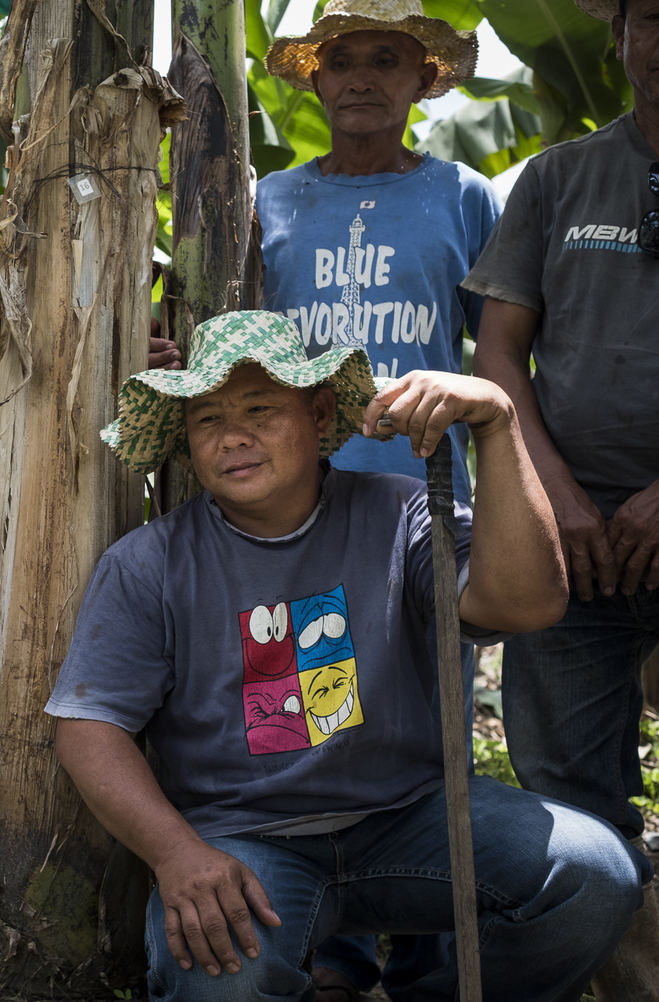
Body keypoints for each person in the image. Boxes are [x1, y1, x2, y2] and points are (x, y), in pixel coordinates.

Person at [48, 310, 647, 1001]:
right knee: (223, 979)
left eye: (260, 409)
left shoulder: (400, 515)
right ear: (186, 441)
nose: (234, 435)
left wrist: (499, 422)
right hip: (243, 839)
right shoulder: (148, 564)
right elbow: (88, 727)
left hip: (411, 818)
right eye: (208, 419)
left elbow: (526, 604)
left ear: (320, 411)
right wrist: (176, 853)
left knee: (596, 875)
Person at [256, 1, 500, 993]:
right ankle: (329, 956)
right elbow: (233, 343)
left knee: (430, 729)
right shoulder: (268, 198)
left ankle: (431, 955)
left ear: (422, 81)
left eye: (385, 61)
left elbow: (501, 350)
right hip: (289, 517)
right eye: (341, 60)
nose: (360, 78)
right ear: (312, 80)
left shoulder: (463, 196)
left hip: (425, 508)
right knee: (305, 731)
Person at [467, 0, 659, 995]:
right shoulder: (555, 177)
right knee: (571, 794)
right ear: (622, 35)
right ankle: (631, 990)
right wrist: (560, 500)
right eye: (658, 16)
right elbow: (500, 353)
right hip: (573, 543)